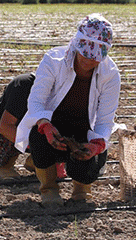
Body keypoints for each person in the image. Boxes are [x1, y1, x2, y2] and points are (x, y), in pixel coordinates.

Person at [14, 13, 121, 206]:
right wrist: (45, 125)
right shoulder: (53, 61)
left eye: (94, 58)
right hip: (56, 127)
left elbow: (105, 120)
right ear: (77, 45)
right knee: (38, 137)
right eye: (85, 55)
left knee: (90, 160)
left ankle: (81, 189)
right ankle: (49, 188)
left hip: (83, 131)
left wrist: (96, 145)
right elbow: (36, 102)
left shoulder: (110, 75)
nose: (88, 62)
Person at [0, 72, 37, 179]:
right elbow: (5, 127)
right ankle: (6, 166)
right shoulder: (25, 84)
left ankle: (36, 161)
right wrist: (39, 149)